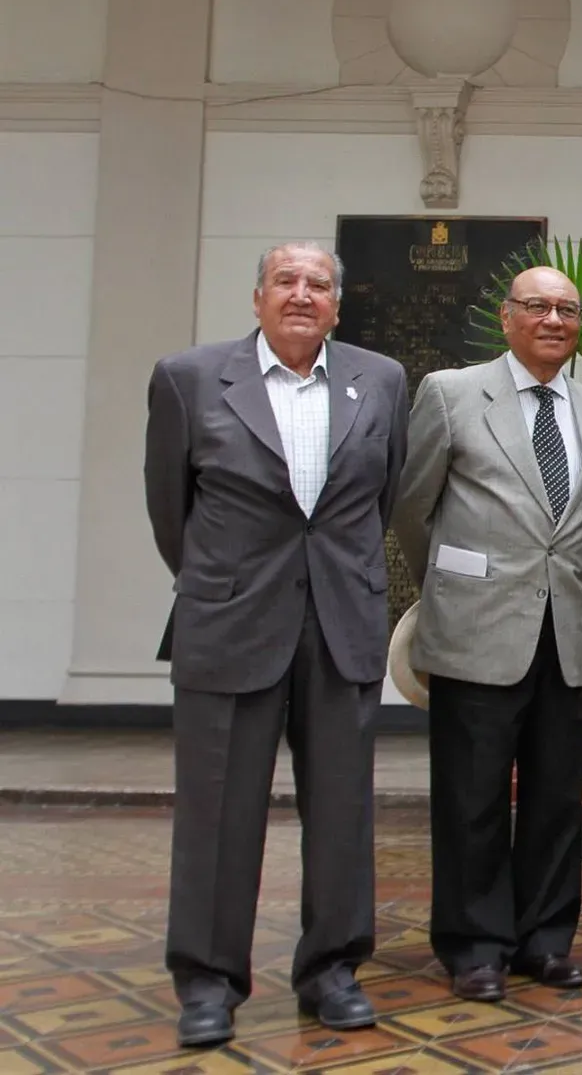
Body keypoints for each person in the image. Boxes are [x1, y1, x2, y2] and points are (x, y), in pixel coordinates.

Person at [143, 243, 407, 1049]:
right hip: (229, 623)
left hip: (340, 623)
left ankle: (332, 968)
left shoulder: (381, 380)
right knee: (218, 811)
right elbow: (169, 510)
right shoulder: (189, 377)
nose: (302, 295)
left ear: (337, 302)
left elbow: (383, 495)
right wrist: (226, 584)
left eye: (318, 284)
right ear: (257, 297)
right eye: (286, 282)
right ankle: (208, 981)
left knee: (342, 809)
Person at [392, 266, 582, 1003]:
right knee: (472, 797)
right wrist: (460, 584)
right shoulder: (452, 394)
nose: (552, 318)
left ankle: (545, 940)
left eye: (565, 309)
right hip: (474, 631)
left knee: (557, 797)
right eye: (537, 306)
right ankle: (474, 945)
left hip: (566, 633)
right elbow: (410, 508)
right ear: (506, 317)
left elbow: (580, 528)